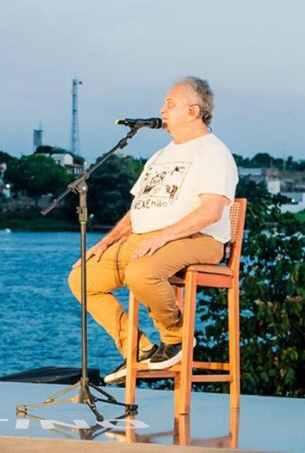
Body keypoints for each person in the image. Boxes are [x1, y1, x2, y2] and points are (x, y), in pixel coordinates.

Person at [67, 76, 238, 384]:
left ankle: (175, 338)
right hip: (145, 238)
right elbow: (137, 213)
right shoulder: (160, 156)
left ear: (193, 111)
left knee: (140, 271)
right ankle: (138, 350)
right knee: (82, 278)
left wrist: (163, 236)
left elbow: (211, 211)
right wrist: (104, 243)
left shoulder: (213, 152)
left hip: (200, 238)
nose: (162, 110)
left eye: (170, 104)